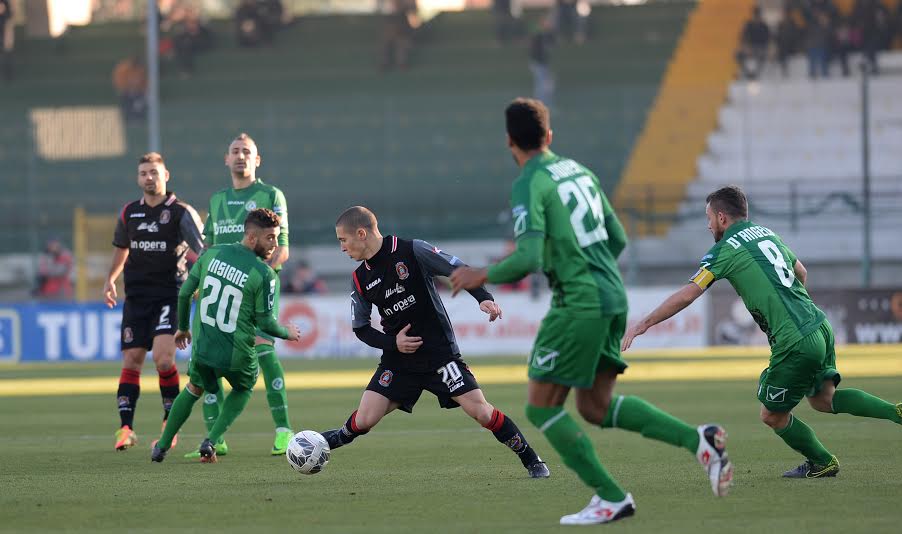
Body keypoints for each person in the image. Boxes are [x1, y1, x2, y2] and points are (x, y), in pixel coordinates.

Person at [450, 98, 732, 525]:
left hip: (579, 302)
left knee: (542, 408)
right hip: (612, 293)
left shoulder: (529, 181)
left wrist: (479, 274)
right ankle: (700, 441)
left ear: (509, 141)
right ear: (549, 136)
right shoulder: (580, 172)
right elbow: (617, 237)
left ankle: (612, 496)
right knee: (596, 407)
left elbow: (526, 257)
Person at [622, 185, 902, 479]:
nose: (707, 225)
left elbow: (688, 294)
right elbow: (801, 272)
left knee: (771, 415)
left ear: (721, 217)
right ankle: (895, 411)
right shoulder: (767, 233)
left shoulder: (724, 250)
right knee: (824, 399)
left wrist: (643, 323)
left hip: (795, 341)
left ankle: (822, 461)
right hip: (818, 325)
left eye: (708, 218)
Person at [320, 206, 550, 480]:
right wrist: (394, 343)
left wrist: (483, 297)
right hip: (399, 361)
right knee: (364, 420)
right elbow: (361, 328)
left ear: (361, 233)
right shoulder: (360, 278)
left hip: (439, 356)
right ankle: (323, 443)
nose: (342, 248)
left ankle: (531, 458)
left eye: (343, 240)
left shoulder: (411, 250)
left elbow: (457, 269)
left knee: (481, 412)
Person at [151, 209, 301, 463]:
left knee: (192, 389)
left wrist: (183, 328)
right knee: (243, 387)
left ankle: (161, 447)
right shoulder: (264, 274)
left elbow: (185, 293)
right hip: (237, 353)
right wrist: (288, 332)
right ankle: (211, 440)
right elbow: (265, 322)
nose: (275, 245)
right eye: (270, 238)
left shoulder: (211, 253)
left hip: (203, 348)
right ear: (252, 238)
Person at [186, 132, 294, 458]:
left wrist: (263, 279)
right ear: (226, 159)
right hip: (221, 292)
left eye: (247, 151)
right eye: (235, 151)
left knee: (263, 348)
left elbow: (283, 249)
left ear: (257, 160)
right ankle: (215, 439)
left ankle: (284, 430)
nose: (241, 156)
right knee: (208, 359)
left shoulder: (271, 194)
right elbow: (208, 250)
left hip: (256, 288)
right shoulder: (217, 200)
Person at [103, 152, 204, 451]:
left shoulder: (181, 212)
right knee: (132, 359)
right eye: (144, 173)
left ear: (166, 175)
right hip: (136, 297)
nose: (149, 177)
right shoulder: (128, 213)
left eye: (154, 172)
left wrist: (199, 281)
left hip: (171, 296)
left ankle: (168, 424)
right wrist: (110, 279)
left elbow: (203, 250)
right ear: (138, 178)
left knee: (163, 359)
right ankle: (125, 429)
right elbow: (122, 249)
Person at [736, 6, 771, 80]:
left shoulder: (764, 26)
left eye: (757, 16)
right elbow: (743, 37)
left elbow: (768, 39)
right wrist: (746, 46)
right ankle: (747, 72)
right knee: (738, 54)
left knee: (762, 56)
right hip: (750, 47)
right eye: (755, 15)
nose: (756, 18)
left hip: (761, 47)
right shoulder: (748, 25)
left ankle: (756, 73)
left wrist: (767, 48)